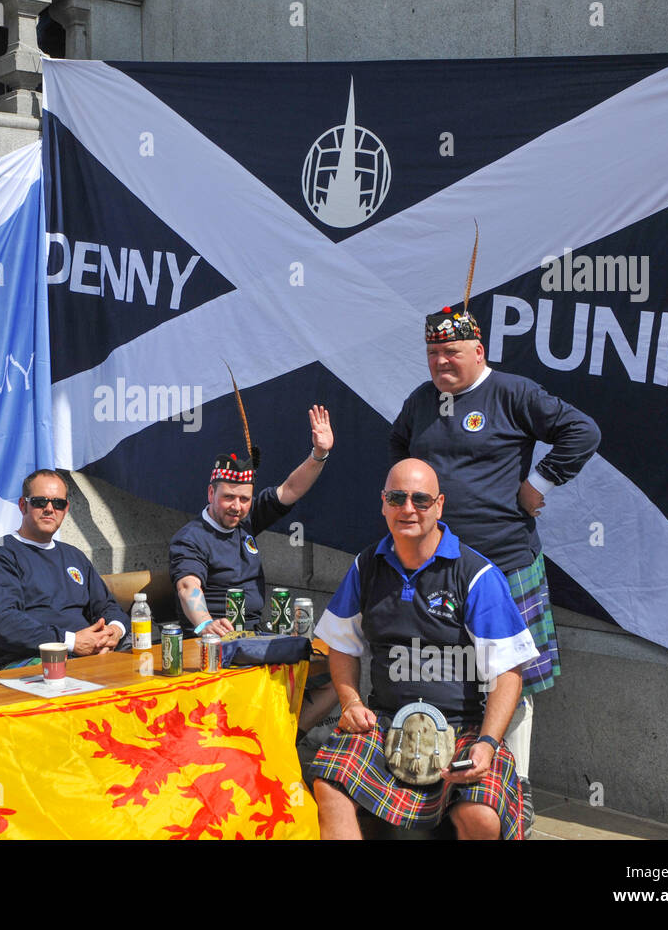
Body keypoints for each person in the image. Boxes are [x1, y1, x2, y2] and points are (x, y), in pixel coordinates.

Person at [389, 298, 600, 834]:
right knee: (455, 678)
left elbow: (583, 431)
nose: (441, 363)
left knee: (513, 682)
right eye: (433, 353)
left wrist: (538, 485)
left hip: (504, 565)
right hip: (439, 568)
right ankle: (450, 789)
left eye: (452, 352)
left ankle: (516, 788)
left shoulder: (513, 392)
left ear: (478, 349)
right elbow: (399, 456)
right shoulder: (421, 401)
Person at [310, 459, 539, 840]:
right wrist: (350, 704)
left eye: (420, 499)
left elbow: (509, 671)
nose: (408, 509)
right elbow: (340, 643)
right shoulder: (366, 565)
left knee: (480, 816)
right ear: (383, 503)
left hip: (462, 728)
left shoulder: (476, 574)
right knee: (329, 787)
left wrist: (486, 743)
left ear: (439, 505)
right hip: (384, 722)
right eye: (397, 498)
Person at [169, 405, 333, 636]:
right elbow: (188, 587)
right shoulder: (190, 539)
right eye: (228, 497)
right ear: (210, 494)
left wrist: (319, 454)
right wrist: (206, 623)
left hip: (253, 634)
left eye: (244, 499)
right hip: (212, 641)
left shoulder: (245, 517)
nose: (237, 507)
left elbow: (291, 488)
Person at [0, 470, 130, 672]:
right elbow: (4, 622)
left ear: (66, 509)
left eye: (58, 503)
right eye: (40, 502)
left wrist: (114, 630)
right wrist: (72, 642)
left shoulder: (74, 556)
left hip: (88, 658)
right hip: (29, 661)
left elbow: (108, 606)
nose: (49, 509)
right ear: (23, 505)